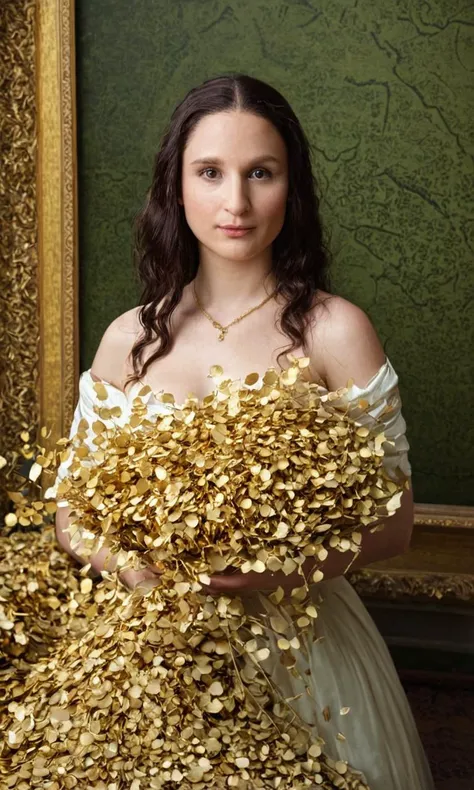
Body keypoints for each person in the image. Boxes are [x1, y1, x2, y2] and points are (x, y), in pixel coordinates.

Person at [9, 74, 434, 789]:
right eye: (211, 173)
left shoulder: (335, 331)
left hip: (308, 662)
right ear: (177, 186)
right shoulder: (128, 339)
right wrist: (135, 571)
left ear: (289, 189)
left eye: (260, 174)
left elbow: (395, 526)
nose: (235, 202)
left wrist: (275, 574)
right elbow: (71, 516)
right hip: (150, 655)